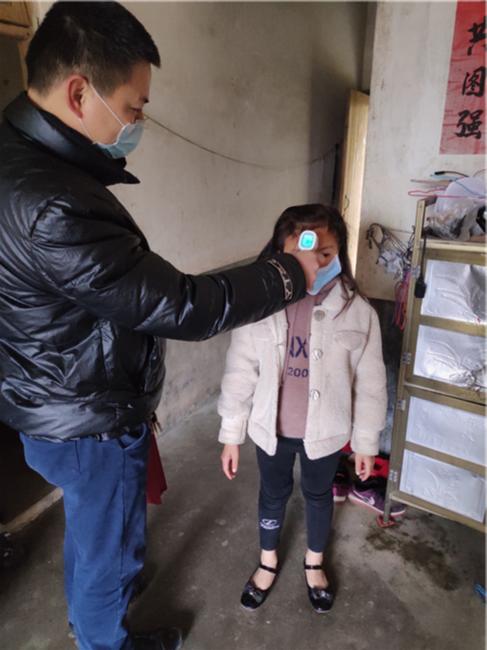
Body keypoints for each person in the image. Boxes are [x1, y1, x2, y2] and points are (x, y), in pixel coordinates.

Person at [0, 3, 320, 650]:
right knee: (109, 550)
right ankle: (103, 638)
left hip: (45, 391)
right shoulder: (53, 203)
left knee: (92, 532)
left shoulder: (21, 160)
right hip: (86, 415)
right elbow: (183, 306)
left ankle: (89, 614)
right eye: (134, 107)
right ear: (79, 93)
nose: (138, 122)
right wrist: (289, 273)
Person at [218, 204, 387, 613]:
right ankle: (268, 559)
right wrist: (231, 433)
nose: (314, 264)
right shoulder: (260, 306)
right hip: (272, 430)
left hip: (326, 433)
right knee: (272, 493)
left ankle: (314, 561)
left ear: (340, 253)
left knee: (317, 493)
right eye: (299, 253)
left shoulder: (358, 312)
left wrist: (365, 443)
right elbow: (241, 369)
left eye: (325, 253)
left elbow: (371, 385)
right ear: (279, 253)